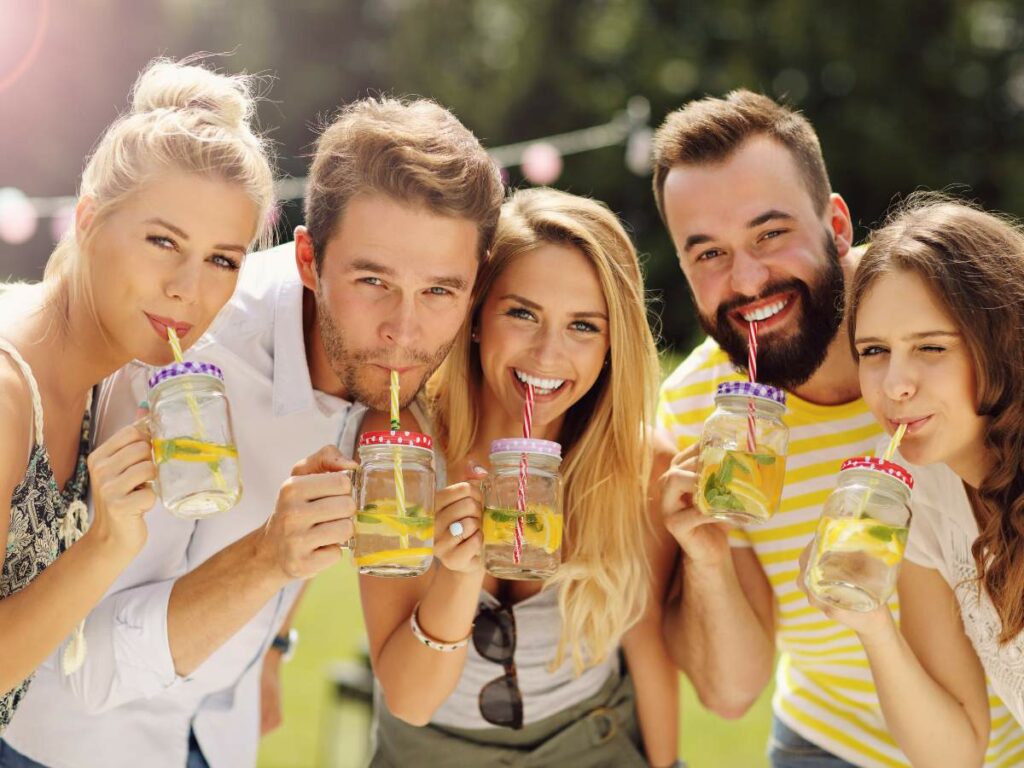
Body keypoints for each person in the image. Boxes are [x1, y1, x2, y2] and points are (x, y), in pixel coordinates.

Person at [1, 96, 504, 768]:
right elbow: (89, 663)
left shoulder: (400, 384)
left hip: (221, 739)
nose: (404, 330)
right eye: (372, 280)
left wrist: (274, 641)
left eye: (441, 290)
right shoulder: (181, 350)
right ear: (308, 262)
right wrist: (268, 559)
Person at [652, 90, 1024, 767]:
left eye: (770, 234)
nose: (748, 279)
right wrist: (706, 558)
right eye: (708, 254)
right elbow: (731, 694)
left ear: (838, 224)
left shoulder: (939, 297)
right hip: (834, 743)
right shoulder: (696, 412)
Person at [358, 187, 682, 768]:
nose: (547, 354)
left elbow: (647, 640)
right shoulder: (402, 449)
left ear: (612, 346)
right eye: (522, 313)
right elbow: (409, 698)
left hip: (593, 746)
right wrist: (460, 573)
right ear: (478, 315)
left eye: (584, 326)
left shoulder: (637, 463)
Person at [0, 55, 274, 740]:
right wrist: (109, 543)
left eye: (222, 260)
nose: (190, 289)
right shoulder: (6, 397)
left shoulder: (111, 377)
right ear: (89, 218)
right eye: (162, 242)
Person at [802, 194, 1024, 766]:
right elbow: (955, 751)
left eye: (930, 347)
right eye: (874, 351)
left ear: (1002, 344)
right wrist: (872, 624)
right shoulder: (916, 488)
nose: (895, 384)